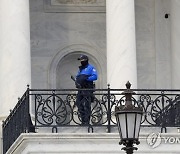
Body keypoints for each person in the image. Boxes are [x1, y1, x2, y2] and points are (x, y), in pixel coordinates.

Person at [75, 54, 98, 125]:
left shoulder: (91, 68)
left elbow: (95, 76)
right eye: (80, 61)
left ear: (86, 60)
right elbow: (77, 77)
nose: (81, 62)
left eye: (82, 60)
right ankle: (83, 119)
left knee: (86, 105)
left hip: (87, 88)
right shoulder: (80, 69)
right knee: (78, 103)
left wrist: (86, 79)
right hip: (80, 89)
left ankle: (87, 121)